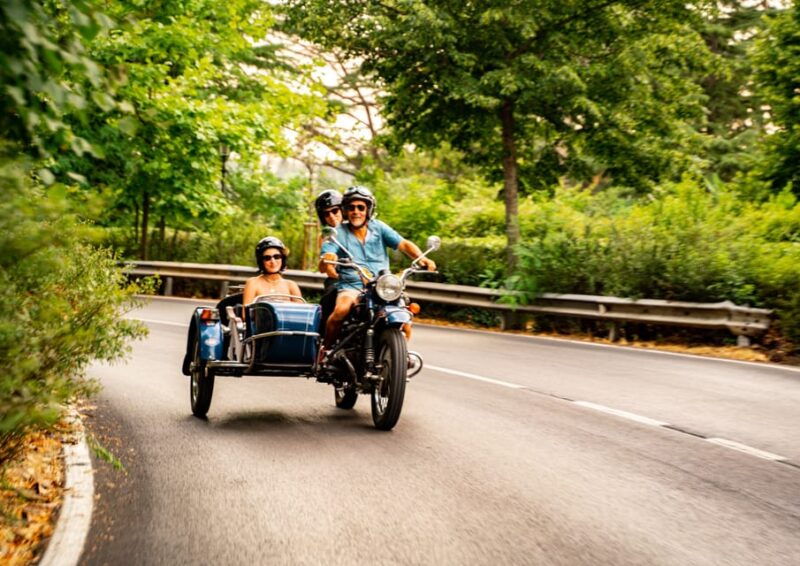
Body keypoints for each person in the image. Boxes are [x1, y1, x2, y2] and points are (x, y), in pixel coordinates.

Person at [318, 185, 435, 360]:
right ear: (346, 210)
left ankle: (399, 357)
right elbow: (327, 257)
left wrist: (421, 257)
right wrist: (327, 260)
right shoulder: (337, 233)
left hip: (382, 285)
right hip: (353, 285)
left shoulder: (379, 228)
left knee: (406, 317)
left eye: (361, 207)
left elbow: (403, 244)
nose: (356, 211)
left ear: (368, 209)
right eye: (351, 207)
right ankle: (326, 350)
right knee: (341, 310)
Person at [243, 237, 302, 314]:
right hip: (261, 325)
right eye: (267, 258)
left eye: (277, 257)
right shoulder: (253, 283)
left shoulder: (291, 285)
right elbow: (245, 315)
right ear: (261, 261)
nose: (273, 261)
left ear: (282, 259)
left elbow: (303, 314)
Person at [314, 190, 343, 333]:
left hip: (366, 277)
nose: (331, 216)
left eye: (335, 210)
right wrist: (339, 276)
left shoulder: (358, 228)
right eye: (326, 213)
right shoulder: (326, 236)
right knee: (330, 297)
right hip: (339, 278)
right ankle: (323, 340)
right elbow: (327, 268)